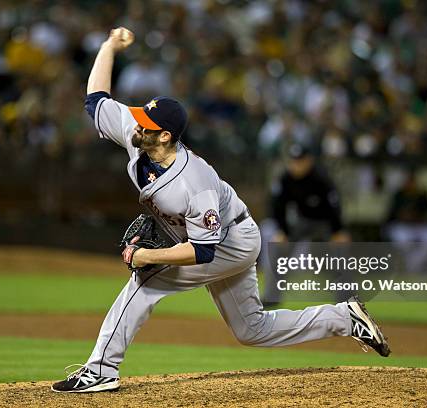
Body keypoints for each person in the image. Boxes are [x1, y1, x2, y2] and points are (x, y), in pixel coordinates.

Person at [51, 27, 390, 394]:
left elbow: (202, 251)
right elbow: (95, 99)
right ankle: (344, 317)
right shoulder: (139, 133)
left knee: (144, 282)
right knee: (252, 330)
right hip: (221, 236)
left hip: (232, 241)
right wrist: (108, 47)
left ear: (165, 136)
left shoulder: (194, 183)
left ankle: (101, 369)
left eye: (147, 124)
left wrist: (149, 254)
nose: (138, 125)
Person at [260, 143, 351, 306]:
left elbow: (334, 206)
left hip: (324, 223)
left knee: (335, 256)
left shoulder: (321, 178)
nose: (297, 164)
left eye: (300, 160)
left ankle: (346, 299)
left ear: (309, 161)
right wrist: (283, 231)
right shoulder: (286, 179)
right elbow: (278, 206)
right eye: (294, 161)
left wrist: (338, 231)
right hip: (301, 221)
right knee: (278, 250)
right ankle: (272, 296)